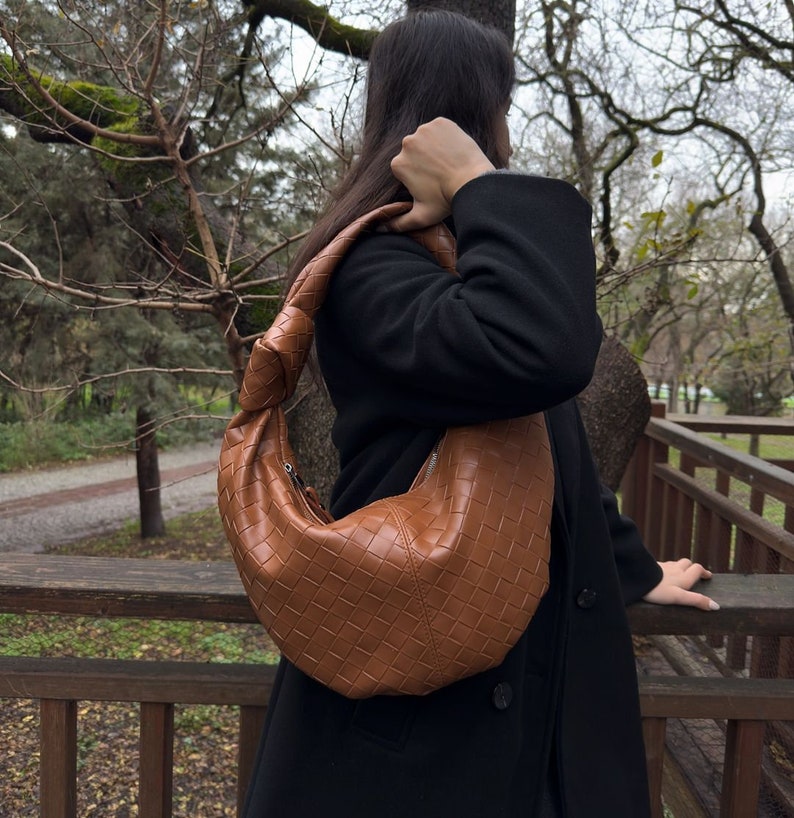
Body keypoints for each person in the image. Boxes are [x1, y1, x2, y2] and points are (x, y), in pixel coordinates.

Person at [242, 10, 716, 818]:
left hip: (514, 691)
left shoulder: (475, 260)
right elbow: (544, 353)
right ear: (483, 111)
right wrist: (479, 182)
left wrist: (629, 569)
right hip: (420, 718)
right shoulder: (374, 265)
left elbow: (541, 444)